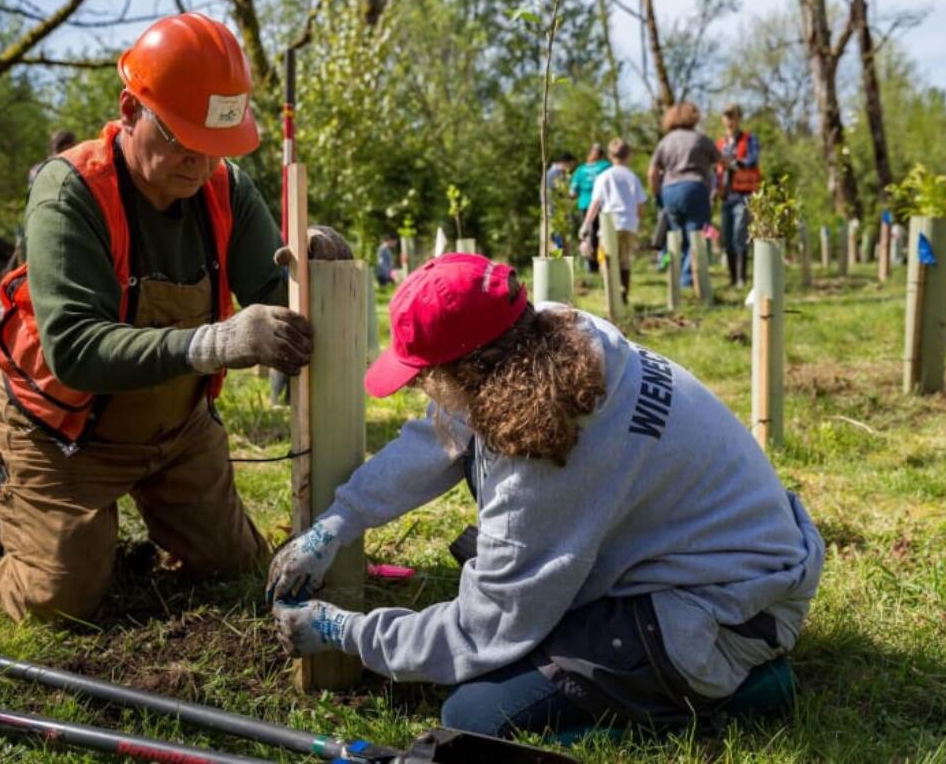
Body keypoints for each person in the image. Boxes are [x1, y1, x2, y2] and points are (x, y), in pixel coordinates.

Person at [267, 253, 824, 739]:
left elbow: (479, 631)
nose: (420, 387)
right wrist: (340, 519)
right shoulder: (551, 333)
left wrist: (346, 632)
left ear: (472, 371)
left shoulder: (549, 463)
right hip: (719, 552)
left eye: (425, 375)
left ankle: (743, 688)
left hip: (729, 609)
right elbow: (440, 435)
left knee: (476, 714)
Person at [0, 12, 353, 623]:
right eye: (181, 138)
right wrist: (217, 343)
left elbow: (274, 289)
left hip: (175, 431)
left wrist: (314, 271)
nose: (199, 161)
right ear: (130, 109)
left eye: (214, 146)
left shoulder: (225, 189)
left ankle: (93, 532)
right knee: (60, 600)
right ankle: (16, 532)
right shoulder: (70, 193)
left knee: (230, 566)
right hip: (61, 433)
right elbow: (76, 349)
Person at [647, 101, 720, 290]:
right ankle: (687, 281)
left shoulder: (665, 141)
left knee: (676, 236)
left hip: (670, 191)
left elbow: (652, 172)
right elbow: (722, 162)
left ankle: (677, 278)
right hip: (694, 188)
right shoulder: (700, 139)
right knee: (695, 234)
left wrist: (657, 195)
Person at [581, 138, 647, 305]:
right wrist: (639, 222)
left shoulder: (604, 176)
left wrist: (586, 224)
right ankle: (623, 296)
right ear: (629, 156)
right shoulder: (633, 177)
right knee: (624, 261)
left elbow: (595, 203)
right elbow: (640, 206)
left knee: (607, 260)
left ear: (610, 156)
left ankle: (612, 297)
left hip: (610, 225)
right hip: (629, 224)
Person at [715, 104, 761, 288]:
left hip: (743, 194)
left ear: (739, 118)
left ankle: (741, 279)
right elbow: (715, 168)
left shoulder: (749, 139)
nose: (729, 121)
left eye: (733, 116)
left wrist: (732, 164)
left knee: (739, 236)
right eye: (726, 116)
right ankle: (732, 278)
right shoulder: (719, 143)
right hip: (726, 195)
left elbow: (752, 160)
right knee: (726, 238)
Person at [569, 144, 612, 272]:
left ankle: (592, 264)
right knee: (600, 234)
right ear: (601, 155)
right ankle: (599, 264)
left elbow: (572, 193)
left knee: (588, 234)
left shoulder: (580, 170)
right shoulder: (606, 166)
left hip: (585, 204)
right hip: (603, 205)